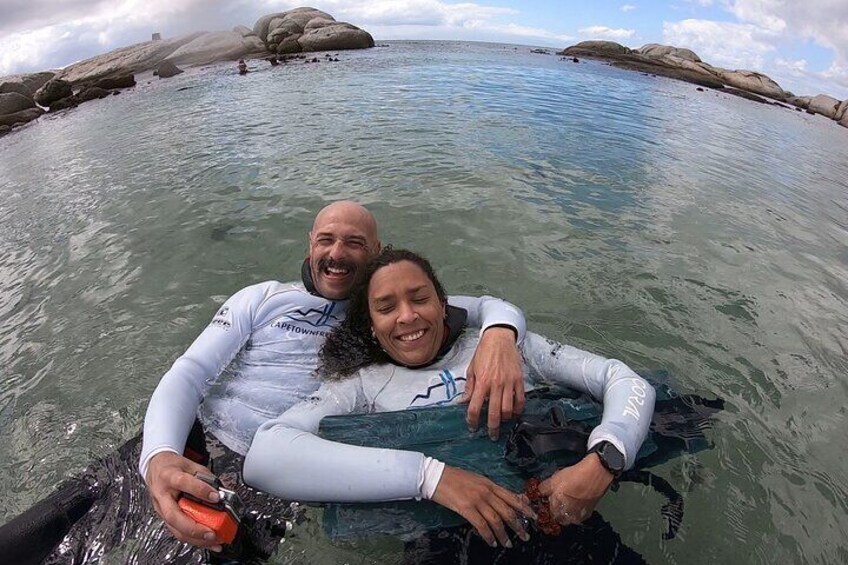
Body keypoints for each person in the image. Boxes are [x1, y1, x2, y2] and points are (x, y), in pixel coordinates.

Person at [141, 202, 529, 552]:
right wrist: (159, 454)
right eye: (325, 239)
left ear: (378, 252)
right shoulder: (263, 297)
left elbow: (487, 307)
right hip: (189, 439)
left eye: (354, 243)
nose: (337, 253)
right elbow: (190, 372)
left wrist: (499, 337)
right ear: (310, 244)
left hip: (280, 472)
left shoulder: (390, 312)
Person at [243, 248, 656, 551]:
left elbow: (622, 379)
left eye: (419, 298)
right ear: (371, 327)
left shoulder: (510, 349)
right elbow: (265, 455)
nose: (407, 316)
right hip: (442, 543)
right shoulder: (361, 387)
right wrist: (431, 478)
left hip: (559, 513)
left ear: (444, 306)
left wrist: (603, 460)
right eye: (386, 308)